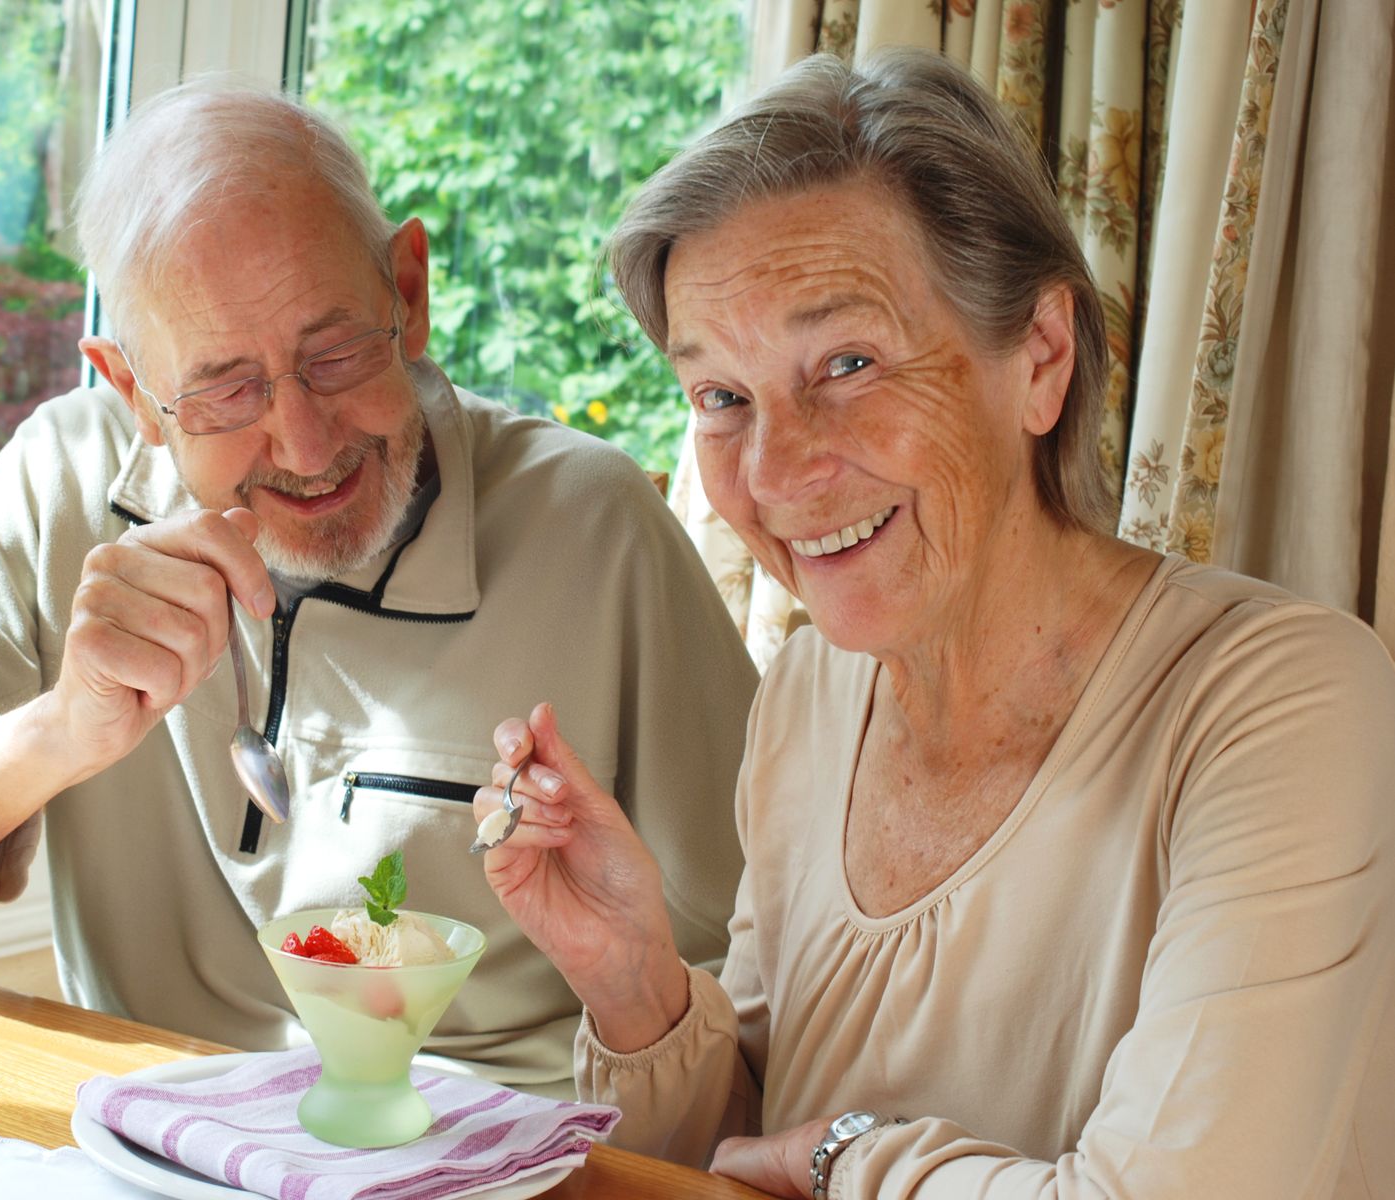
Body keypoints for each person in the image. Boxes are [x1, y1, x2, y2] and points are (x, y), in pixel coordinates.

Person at [474, 48, 1395, 1195]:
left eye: (847, 362)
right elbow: (731, 1160)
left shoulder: (1280, 703)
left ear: (1039, 361)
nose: (774, 471)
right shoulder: (807, 699)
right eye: (720, 397)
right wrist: (631, 980)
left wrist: (847, 1157)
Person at [0, 78, 759, 1095]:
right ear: (135, 392)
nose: (307, 443)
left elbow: (767, 985)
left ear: (408, 295)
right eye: (226, 388)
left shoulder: (595, 527)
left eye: (333, 352)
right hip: (150, 1151)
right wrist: (59, 732)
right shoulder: (58, 484)